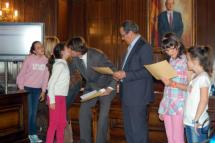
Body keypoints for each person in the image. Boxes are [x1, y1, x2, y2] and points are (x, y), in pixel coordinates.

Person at [67, 36, 116, 143]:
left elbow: (114, 71)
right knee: (83, 113)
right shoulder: (75, 59)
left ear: (77, 50)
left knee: (103, 116)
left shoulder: (97, 55)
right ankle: (85, 141)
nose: (69, 51)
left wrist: (110, 87)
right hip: (91, 88)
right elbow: (67, 72)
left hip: (106, 87)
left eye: (70, 49)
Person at [113, 20, 154, 143]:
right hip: (128, 96)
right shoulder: (130, 47)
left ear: (130, 33)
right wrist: (120, 75)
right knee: (129, 131)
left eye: (123, 35)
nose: (122, 38)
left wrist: (125, 74)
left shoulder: (144, 46)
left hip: (138, 97)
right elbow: (129, 69)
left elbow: (148, 71)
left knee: (138, 133)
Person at [16, 41, 49, 143]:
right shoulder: (29, 59)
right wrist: (21, 89)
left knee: (34, 113)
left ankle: (32, 135)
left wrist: (43, 91)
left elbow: (45, 78)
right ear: (34, 51)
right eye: (38, 47)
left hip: (37, 90)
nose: (41, 48)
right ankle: (30, 134)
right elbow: (21, 75)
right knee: (29, 113)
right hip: (27, 89)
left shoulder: (46, 61)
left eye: (41, 46)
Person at [158, 33, 188, 143]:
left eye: (171, 49)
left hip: (179, 104)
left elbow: (190, 87)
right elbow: (167, 88)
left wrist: (172, 83)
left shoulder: (186, 61)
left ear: (178, 45)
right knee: (170, 139)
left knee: (178, 139)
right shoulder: (170, 61)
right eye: (166, 50)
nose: (169, 52)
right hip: (167, 103)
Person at [184, 46, 213, 143]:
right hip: (190, 121)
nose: (186, 62)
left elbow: (203, 101)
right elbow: (189, 91)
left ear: (195, 61)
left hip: (196, 123)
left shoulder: (203, 77)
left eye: (187, 59)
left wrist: (196, 120)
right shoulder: (196, 76)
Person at [46, 43, 72, 143]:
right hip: (55, 97)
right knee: (54, 124)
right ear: (62, 52)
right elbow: (51, 83)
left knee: (61, 123)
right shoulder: (60, 65)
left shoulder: (63, 63)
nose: (69, 50)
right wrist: (52, 100)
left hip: (61, 97)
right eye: (67, 48)